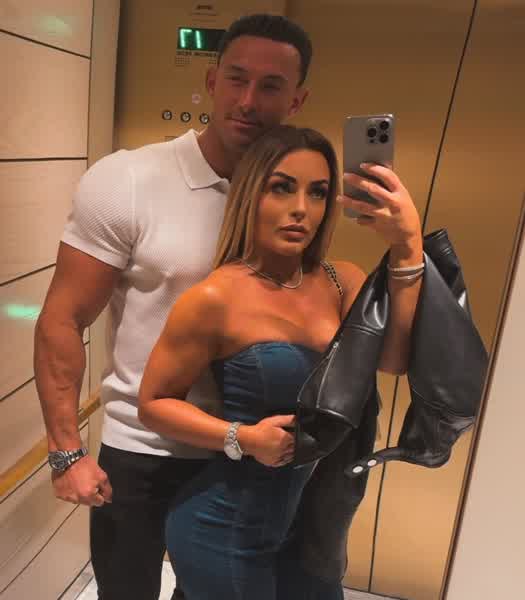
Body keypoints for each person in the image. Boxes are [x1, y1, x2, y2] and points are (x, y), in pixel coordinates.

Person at [33, 14, 312, 600]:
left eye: (270, 86)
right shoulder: (129, 180)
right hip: (143, 452)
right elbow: (63, 317)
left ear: (296, 100)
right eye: (236, 78)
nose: (248, 100)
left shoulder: (297, 197)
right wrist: (65, 452)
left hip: (250, 454)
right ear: (211, 81)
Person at [138, 124, 423, 599]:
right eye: (282, 188)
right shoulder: (214, 298)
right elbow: (154, 404)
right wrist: (243, 438)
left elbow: (393, 360)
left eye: (318, 192)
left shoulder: (341, 282)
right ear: (251, 195)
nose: (301, 209)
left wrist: (407, 245)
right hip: (225, 530)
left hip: (309, 531)